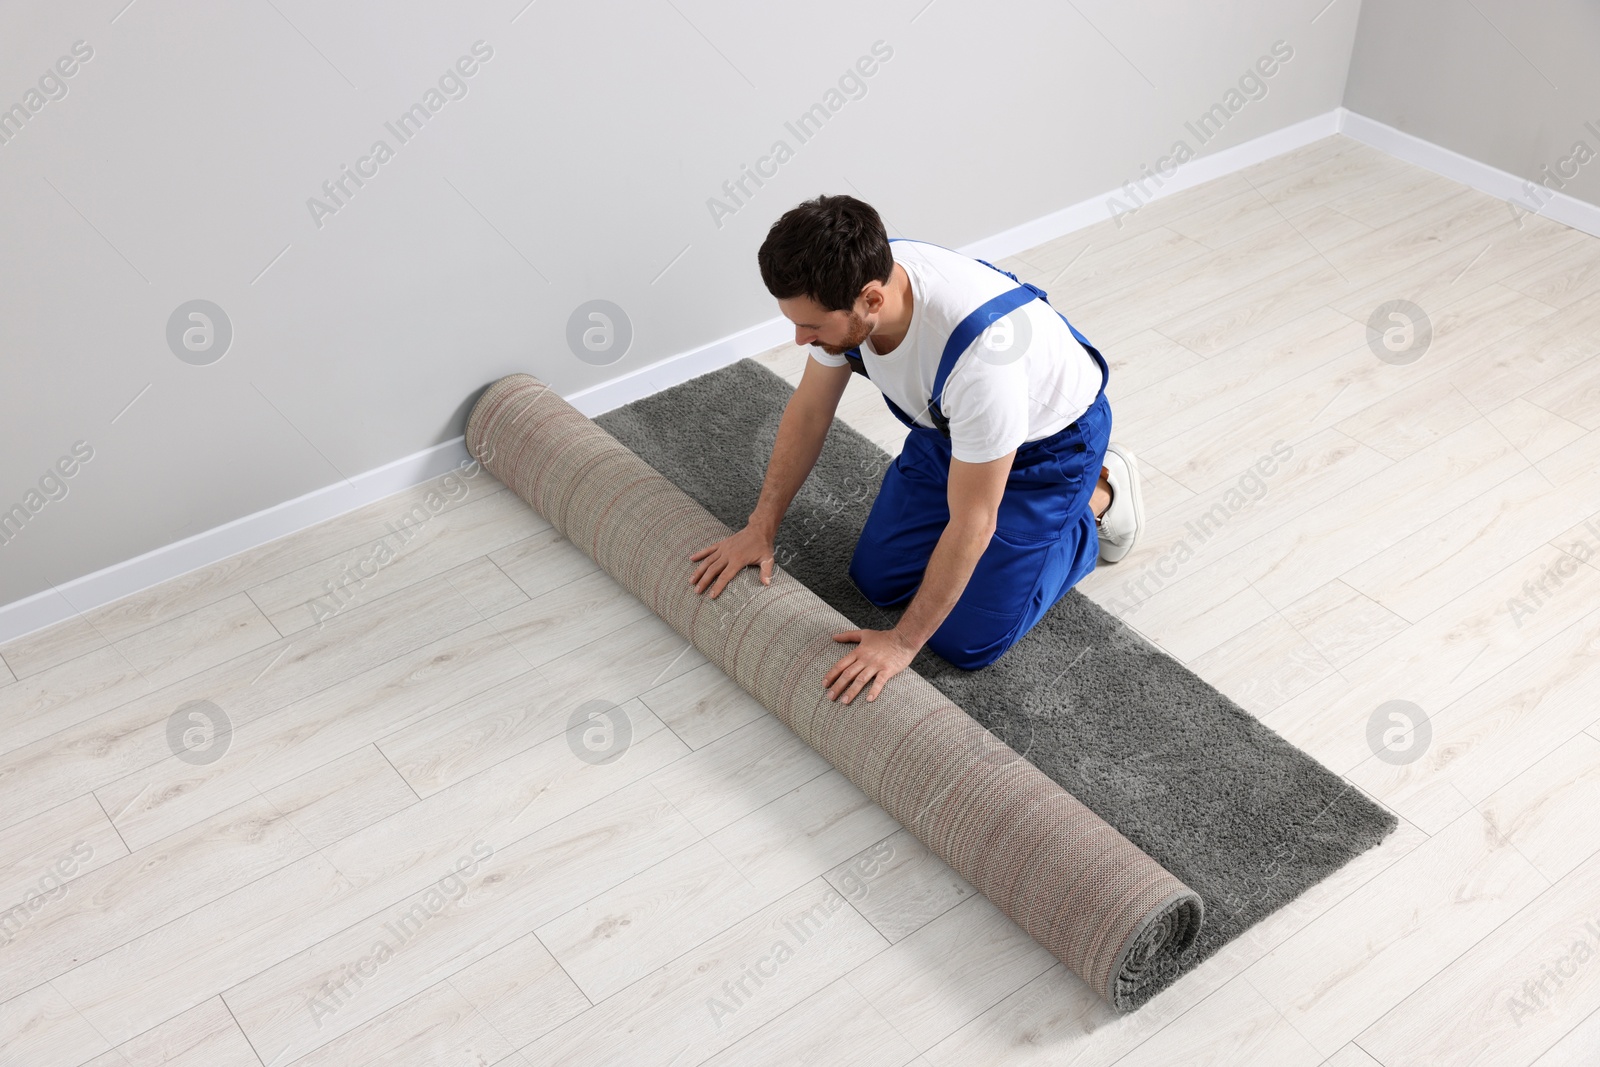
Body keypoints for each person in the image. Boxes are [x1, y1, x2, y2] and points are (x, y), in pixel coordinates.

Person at [689, 194, 1144, 704]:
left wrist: (902, 644)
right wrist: (760, 526)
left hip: (1050, 454)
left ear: (872, 300)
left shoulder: (982, 364)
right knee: (876, 580)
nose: (799, 339)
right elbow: (811, 410)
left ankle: (1099, 497)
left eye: (812, 326)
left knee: (964, 641)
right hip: (951, 432)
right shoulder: (853, 279)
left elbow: (974, 521)